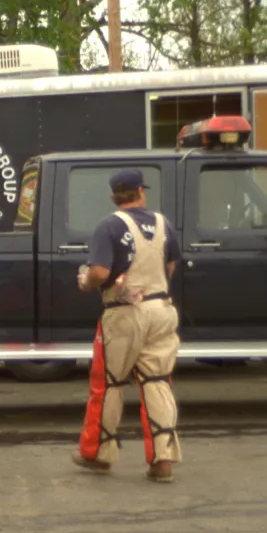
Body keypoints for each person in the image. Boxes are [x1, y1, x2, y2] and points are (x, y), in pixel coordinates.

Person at [73, 168, 182, 482]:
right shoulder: (164, 224)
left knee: (109, 383)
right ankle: (162, 461)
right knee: (157, 381)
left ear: (113, 196)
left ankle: (97, 453)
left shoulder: (109, 226)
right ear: (140, 192)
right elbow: (171, 265)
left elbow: (98, 272)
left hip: (123, 314)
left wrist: (85, 283)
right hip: (161, 309)